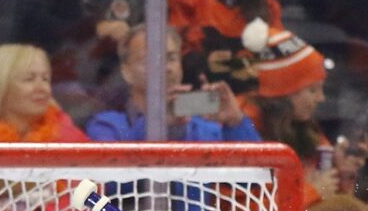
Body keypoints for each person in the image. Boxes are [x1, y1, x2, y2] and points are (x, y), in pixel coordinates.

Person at [243, 28, 368, 211]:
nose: (321, 98)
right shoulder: (244, 131)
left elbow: (331, 198)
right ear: (285, 93)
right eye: (312, 90)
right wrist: (311, 192)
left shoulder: (304, 128)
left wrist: (340, 172)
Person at [10, 0, 145, 126]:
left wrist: (132, 39)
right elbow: (29, 24)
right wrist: (93, 30)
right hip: (60, 84)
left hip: (122, 88)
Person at [86, 24, 260, 143]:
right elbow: (116, 185)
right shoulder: (106, 126)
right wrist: (155, 124)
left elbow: (255, 183)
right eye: (150, 60)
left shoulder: (205, 127)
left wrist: (236, 122)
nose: (166, 67)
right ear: (126, 72)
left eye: (171, 58)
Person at [168, 0, 284, 93]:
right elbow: (171, 55)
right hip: (197, 96)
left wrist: (229, 65)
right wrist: (204, 63)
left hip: (253, 99)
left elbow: (278, 55)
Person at [0, 44, 89, 143]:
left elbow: (92, 185)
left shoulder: (68, 136)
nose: (42, 88)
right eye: (29, 79)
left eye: (45, 79)